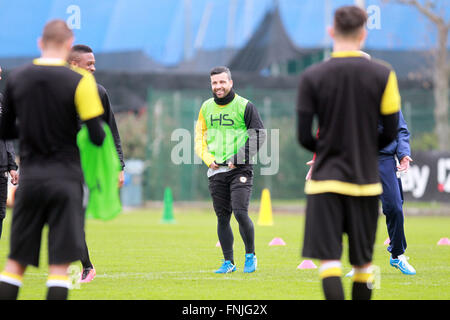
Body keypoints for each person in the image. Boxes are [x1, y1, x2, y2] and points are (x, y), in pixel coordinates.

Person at [297, 6, 400, 300]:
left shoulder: (311, 76)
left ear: (331, 32)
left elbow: (304, 136)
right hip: (365, 182)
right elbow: (390, 132)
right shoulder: (384, 74)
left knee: (329, 262)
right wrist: (363, 151)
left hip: (325, 182)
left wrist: (330, 150)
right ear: (363, 35)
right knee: (363, 264)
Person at [0, 20, 105, 300]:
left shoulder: (17, 78)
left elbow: (6, 131)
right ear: (69, 46)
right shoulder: (82, 81)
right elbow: (97, 136)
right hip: (66, 180)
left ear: (39, 43)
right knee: (59, 266)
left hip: (31, 179)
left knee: (15, 264)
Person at [194, 66, 266, 274]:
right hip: (216, 171)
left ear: (230, 83)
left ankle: (250, 256)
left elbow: (259, 135)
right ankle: (228, 262)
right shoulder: (206, 108)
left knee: (241, 212)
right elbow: (199, 139)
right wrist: (209, 159)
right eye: (215, 83)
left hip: (240, 169)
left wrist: (238, 158)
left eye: (222, 82)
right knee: (223, 218)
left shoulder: (245, 106)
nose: (218, 86)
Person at [68, 44, 125, 283]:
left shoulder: (98, 92)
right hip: (60, 164)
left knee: (72, 217)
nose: (93, 67)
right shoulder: (58, 92)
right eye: (88, 64)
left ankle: (86, 267)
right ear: (74, 65)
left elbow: (110, 130)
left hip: (85, 168)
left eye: (94, 63)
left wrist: (119, 166)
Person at [345, 110, 415, 277]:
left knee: (395, 208)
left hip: (385, 161)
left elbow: (401, 129)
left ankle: (397, 255)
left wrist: (404, 154)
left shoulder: (388, 98)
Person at [0, 66, 19, 240]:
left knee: (0, 215)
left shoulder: (1, 100)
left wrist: (12, 166)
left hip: (1, 169)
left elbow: (7, 136)